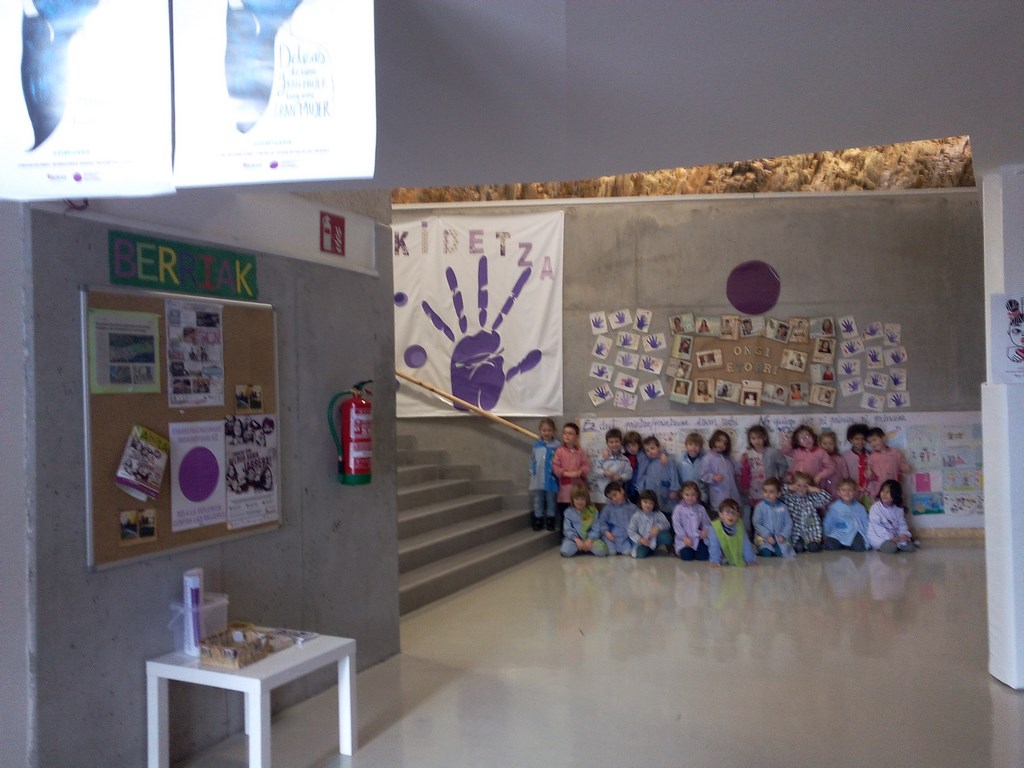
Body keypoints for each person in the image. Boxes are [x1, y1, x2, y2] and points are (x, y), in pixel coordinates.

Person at [739, 424, 788, 531]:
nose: (757, 441)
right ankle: (756, 535)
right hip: (754, 489)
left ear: (765, 438)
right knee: (755, 513)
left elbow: (784, 465)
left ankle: (772, 533)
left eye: (759, 438)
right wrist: (745, 487)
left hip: (769, 488)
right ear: (749, 440)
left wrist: (778, 478)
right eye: (753, 438)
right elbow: (744, 472)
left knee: (770, 512)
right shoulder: (748, 454)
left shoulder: (772, 452)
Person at [781, 471, 831, 552]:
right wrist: (789, 487)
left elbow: (827, 499)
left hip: (810, 532)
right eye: (798, 485)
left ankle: (812, 544)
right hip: (795, 532)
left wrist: (816, 490)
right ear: (793, 485)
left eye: (805, 486)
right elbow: (779, 492)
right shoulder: (789, 497)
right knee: (798, 548)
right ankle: (800, 544)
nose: (801, 488)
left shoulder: (811, 498)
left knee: (813, 548)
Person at [552, 422, 590, 519]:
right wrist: (566, 473)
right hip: (564, 491)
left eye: (570, 433)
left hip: (578, 489)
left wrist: (580, 472)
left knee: (578, 515)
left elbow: (586, 465)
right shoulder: (559, 451)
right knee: (564, 516)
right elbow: (555, 467)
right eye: (565, 433)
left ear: (576, 436)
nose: (567, 436)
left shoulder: (580, 451)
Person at [528, 417, 560, 531]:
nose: (546, 433)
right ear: (540, 431)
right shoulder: (537, 444)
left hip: (551, 477)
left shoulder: (557, 445)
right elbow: (533, 459)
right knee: (538, 499)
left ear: (553, 431)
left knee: (551, 499)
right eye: (544, 430)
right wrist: (532, 471)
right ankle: (538, 518)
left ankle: (551, 519)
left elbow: (559, 460)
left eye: (549, 430)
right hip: (538, 477)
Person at [864, 427, 912, 501]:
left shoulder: (895, 453)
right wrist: (869, 474)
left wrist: (907, 468)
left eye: (874, 440)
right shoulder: (871, 457)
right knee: (880, 506)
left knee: (895, 505)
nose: (873, 444)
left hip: (894, 489)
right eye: (870, 442)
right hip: (878, 490)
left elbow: (903, 466)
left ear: (883, 438)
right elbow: (870, 476)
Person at [867, 479, 914, 553]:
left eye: (888, 492)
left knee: (910, 547)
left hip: (896, 537)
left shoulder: (899, 509)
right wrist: (891, 537)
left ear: (895, 494)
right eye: (882, 491)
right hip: (879, 537)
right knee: (892, 548)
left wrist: (904, 535)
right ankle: (892, 545)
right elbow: (878, 528)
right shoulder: (875, 508)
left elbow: (902, 524)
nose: (884, 494)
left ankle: (897, 544)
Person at [635, 435, 679, 514]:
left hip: (666, 492)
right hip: (651, 492)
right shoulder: (647, 462)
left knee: (667, 512)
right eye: (647, 450)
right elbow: (642, 477)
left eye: (652, 448)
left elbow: (674, 475)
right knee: (654, 512)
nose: (650, 452)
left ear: (658, 447)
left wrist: (674, 489)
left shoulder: (668, 460)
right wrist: (641, 490)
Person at [708, 498, 758, 567]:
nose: (731, 515)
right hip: (722, 555)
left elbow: (746, 544)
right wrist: (715, 561)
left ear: (738, 515)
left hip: (736, 554)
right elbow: (714, 546)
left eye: (734, 513)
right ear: (720, 514)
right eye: (727, 512)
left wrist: (750, 560)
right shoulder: (715, 527)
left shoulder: (740, 526)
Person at [752, 477, 795, 557]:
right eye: (765, 491)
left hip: (779, 537)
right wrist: (767, 535)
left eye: (771, 492)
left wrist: (783, 535)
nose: (767, 494)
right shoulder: (759, 507)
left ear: (778, 494)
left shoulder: (783, 507)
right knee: (766, 553)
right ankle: (763, 548)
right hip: (764, 537)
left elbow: (789, 523)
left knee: (781, 553)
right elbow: (757, 523)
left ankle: (778, 547)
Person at [823, 479, 869, 551]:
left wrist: (867, 535)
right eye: (843, 490)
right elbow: (829, 521)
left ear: (855, 492)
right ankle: (843, 544)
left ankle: (846, 545)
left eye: (850, 490)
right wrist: (826, 533)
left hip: (854, 532)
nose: (847, 493)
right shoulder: (835, 507)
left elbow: (865, 522)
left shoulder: (860, 507)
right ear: (839, 492)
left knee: (859, 547)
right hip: (838, 532)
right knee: (830, 544)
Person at [560, 486, 607, 557]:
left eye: (582, 499)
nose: (580, 502)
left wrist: (590, 539)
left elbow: (596, 528)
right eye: (577, 499)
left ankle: (584, 548)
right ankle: (581, 547)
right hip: (574, 540)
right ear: (572, 499)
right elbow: (567, 529)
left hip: (591, 539)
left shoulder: (593, 511)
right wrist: (576, 540)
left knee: (602, 551)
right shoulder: (568, 512)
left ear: (587, 499)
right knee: (565, 551)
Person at [701, 429, 740, 513]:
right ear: (713, 441)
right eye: (719, 441)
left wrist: (743, 462)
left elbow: (737, 469)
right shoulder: (707, 458)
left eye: (725, 443)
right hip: (719, 494)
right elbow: (704, 476)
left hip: (732, 493)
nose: (721, 444)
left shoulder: (727, 458)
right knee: (721, 514)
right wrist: (713, 477)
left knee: (733, 513)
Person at [672, 481, 711, 561]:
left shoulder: (701, 508)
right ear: (682, 494)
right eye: (687, 495)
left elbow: (706, 522)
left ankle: (698, 550)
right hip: (684, 539)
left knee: (703, 556)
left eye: (693, 495)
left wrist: (705, 530)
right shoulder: (678, 508)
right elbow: (676, 524)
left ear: (697, 495)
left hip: (697, 538)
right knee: (687, 556)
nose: (690, 497)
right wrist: (684, 538)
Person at [628, 490, 673, 558]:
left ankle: (669, 547)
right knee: (640, 554)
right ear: (640, 502)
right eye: (645, 502)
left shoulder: (658, 513)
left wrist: (658, 527)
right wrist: (640, 539)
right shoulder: (636, 516)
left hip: (655, 539)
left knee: (666, 537)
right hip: (644, 541)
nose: (648, 505)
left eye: (651, 503)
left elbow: (667, 524)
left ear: (654, 504)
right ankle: (650, 550)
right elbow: (631, 531)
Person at [598, 481, 637, 556]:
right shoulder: (608, 508)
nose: (614, 499)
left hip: (625, 538)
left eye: (615, 495)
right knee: (611, 552)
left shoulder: (633, 507)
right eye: (611, 498)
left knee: (627, 551)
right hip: (611, 537)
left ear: (621, 491)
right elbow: (602, 522)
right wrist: (606, 532)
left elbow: (637, 523)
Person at [593, 427, 634, 495]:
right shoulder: (602, 457)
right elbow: (595, 470)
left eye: (617, 442)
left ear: (621, 442)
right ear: (607, 443)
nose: (614, 444)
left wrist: (620, 477)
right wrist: (604, 472)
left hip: (617, 493)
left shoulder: (624, 460)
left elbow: (629, 475)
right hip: (603, 492)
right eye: (611, 442)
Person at [841, 423, 871, 503]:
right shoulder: (845, 456)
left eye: (863, 439)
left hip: (868, 492)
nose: (860, 441)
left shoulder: (871, 455)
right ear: (850, 440)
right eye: (856, 439)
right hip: (852, 492)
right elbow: (844, 476)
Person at [676, 432, 708, 508]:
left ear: (700, 447)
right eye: (690, 444)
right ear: (686, 446)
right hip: (686, 497)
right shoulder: (680, 461)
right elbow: (678, 479)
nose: (693, 447)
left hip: (701, 496)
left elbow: (707, 480)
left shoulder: (705, 460)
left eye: (696, 445)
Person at [817, 429, 846, 500]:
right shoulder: (817, 459)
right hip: (820, 489)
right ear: (819, 444)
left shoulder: (840, 459)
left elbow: (845, 476)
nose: (827, 446)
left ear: (835, 445)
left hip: (836, 489)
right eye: (824, 443)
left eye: (830, 444)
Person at [621, 430, 644, 502]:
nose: (631, 448)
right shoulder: (624, 456)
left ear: (639, 444)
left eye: (633, 445)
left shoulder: (644, 455)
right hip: (628, 488)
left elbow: (657, 452)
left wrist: (663, 453)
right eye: (628, 446)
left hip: (641, 488)